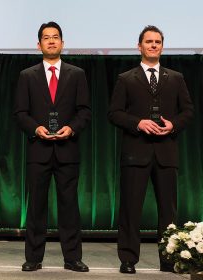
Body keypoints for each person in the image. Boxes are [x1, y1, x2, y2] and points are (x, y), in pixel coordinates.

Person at [108, 25, 194, 274]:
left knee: (168, 210)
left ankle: (168, 259)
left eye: (157, 42)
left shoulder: (176, 78)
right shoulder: (126, 78)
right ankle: (127, 259)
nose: (153, 45)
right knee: (130, 209)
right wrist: (138, 123)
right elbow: (114, 113)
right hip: (136, 153)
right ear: (139, 46)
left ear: (162, 46)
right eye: (149, 41)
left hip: (166, 154)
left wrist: (173, 124)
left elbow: (188, 111)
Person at [14, 21, 91, 272]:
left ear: (62, 43)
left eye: (55, 37)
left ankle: (72, 258)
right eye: (46, 38)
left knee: (69, 206)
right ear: (38, 45)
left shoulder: (77, 74)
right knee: (36, 206)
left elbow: (84, 111)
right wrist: (35, 128)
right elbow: (20, 113)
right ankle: (33, 258)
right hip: (39, 150)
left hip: (68, 150)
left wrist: (72, 128)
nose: (51, 41)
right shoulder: (27, 76)